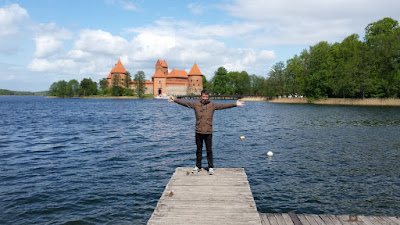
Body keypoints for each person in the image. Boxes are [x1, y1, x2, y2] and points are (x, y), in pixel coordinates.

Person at [168, 90, 245, 175]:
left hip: (208, 131)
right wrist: (175, 100)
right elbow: (185, 103)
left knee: (209, 150)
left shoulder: (212, 105)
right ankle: (198, 166)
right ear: (201, 96)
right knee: (199, 150)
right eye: (203, 96)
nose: (205, 98)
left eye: (206, 97)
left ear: (208, 97)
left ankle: (211, 167)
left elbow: (223, 106)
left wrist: (235, 104)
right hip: (198, 131)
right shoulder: (195, 104)